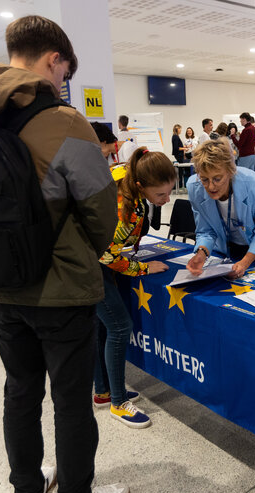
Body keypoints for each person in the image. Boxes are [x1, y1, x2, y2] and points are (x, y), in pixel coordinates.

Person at [0, 15, 127, 493]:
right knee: (70, 400)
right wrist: (89, 250)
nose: (64, 83)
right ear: (53, 59)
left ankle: (27, 491)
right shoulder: (66, 120)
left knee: (19, 388)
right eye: (65, 73)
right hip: (59, 287)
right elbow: (100, 212)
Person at [94, 147, 175, 429]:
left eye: (170, 192)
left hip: (90, 260)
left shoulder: (126, 177)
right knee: (118, 327)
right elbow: (105, 255)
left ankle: (104, 392)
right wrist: (141, 268)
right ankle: (118, 403)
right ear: (140, 186)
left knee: (102, 327)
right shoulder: (123, 208)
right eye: (161, 195)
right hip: (89, 267)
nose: (166, 200)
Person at [186, 139, 255, 278]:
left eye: (217, 179)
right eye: (204, 180)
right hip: (234, 248)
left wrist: (244, 263)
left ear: (230, 171)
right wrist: (201, 254)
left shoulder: (254, 184)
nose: (211, 187)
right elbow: (206, 230)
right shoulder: (194, 187)